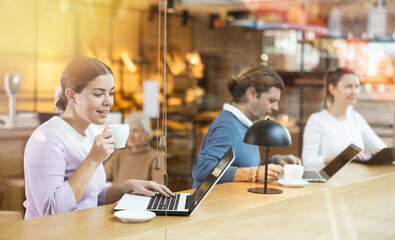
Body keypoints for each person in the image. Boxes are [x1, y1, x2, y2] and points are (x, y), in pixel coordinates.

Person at [23, 57, 173, 219]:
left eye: (111, 93)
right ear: (72, 96)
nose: (108, 101)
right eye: (98, 94)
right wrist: (93, 160)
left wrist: (128, 186)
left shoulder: (87, 134)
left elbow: (90, 197)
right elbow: (52, 211)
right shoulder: (47, 139)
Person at [192, 64, 301, 188]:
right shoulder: (228, 127)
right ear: (252, 93)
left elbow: (238, 166)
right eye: (272, 100)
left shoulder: (241, 124)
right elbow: (203, 171)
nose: (276, 108)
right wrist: (253, 173)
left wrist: (274, 161)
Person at [302, 68, 386, 168]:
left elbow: (381, 147)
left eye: (357, 87)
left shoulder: (356, 118)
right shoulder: (317, 120)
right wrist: (341, 158)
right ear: (332, 89)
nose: (354, 92)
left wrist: (379, 154)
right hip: (331, 182)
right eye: (348, 86)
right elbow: (308, 162)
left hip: (356, 179)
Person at [104, 112, 165, 184]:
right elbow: (100, 178)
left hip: (144, 195)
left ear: (147, 134)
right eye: (128, 131)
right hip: (119, 195)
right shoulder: (118, 155)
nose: (130, 135)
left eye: (135, 131)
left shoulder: (155, 156)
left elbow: (159, 187)